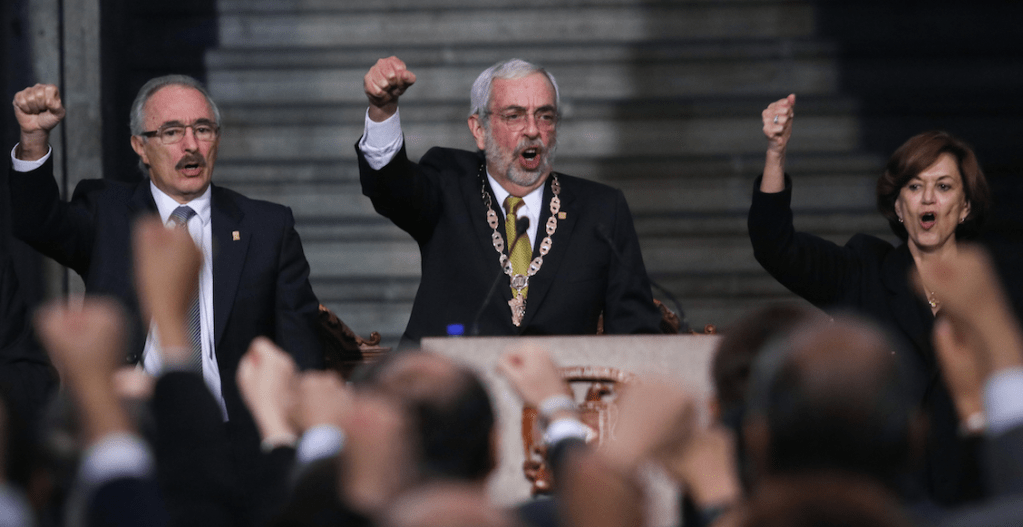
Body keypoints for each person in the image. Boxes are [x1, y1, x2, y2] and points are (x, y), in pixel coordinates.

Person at [8, 76, 323, 500]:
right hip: (130, 426)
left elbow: (299, 345)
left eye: (203, 129)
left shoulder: (267, 226)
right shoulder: (108, 212)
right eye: (172, 132)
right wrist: (33, 139)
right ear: (140, 146)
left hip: (232, 437)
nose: (190, 145)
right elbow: (36, 223)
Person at [748, 94, 993, 504]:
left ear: (964, 207)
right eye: (915, 187)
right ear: (899, 207)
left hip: (974, 497)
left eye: (944, 187)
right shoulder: (863, 271)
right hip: (886, 499)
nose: (928, 199)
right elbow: (775, 245)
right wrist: (776, 151)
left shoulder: (991, 291)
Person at [357, 56, 663, 348]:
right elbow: (390, 188)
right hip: (447, 389)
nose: (532, 130)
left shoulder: (602, 210)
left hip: (556, 389)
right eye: (514, 116)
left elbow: (636, 332)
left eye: (544, 116)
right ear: (479, 130)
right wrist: (383, 109)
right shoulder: (447, 181)